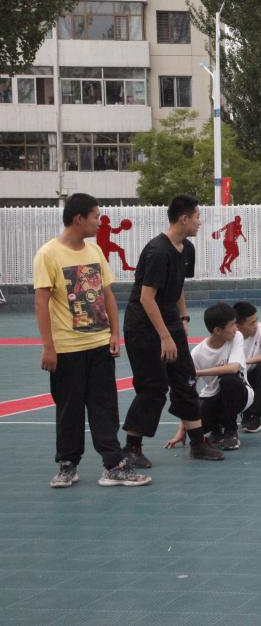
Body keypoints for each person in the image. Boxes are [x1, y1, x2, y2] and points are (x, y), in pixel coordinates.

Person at [33, 193, 150, 488]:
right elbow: (41, 302)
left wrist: (114, 333)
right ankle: (67, 465)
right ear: (79, 219)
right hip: (67, 349)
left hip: (99, 346)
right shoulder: (48, 254)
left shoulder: (95, 251)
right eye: (96, 217)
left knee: (105, 407)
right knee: (69, 409)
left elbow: (107, 294)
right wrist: (48, 347)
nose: (100, 222)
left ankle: (113, 465)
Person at [122, 194, 223, 466]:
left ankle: (198, 442)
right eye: (197, 217)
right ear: (184, 219)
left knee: (186, 379)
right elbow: (146, 298)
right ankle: (131, 447)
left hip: (169, 320)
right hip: (143, 327)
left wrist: (183, 317)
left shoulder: (186, 249)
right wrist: (165, 337)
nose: (200, 222)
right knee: (153, 387)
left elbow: (177, 287)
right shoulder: (158, 251)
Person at [165, 303, 254, 452]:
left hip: (241, 395)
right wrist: (182, 429)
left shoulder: (236, 337)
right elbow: (188, 393)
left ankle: (230, 431)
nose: (236, 328)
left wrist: (198, 372)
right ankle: (216, 429)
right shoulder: (197, 353)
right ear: (217, 330)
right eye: (232, 325)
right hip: (213, 397)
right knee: (197, 426)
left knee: (228, 379)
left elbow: (233, 368)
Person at [233, 301, 261, 433]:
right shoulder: (230, 335)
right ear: (238, 326)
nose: (256, 325)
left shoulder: (260, 328)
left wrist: (245, 361)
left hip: (254, 376)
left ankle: (254, 416)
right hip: (237, 378)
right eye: (251, 323)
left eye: (256, 320)